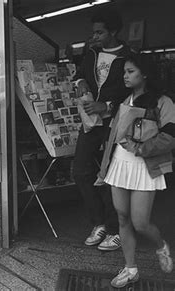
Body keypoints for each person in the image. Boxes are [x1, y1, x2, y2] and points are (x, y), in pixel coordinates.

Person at [96, 55, 175, 288]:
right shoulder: (123, 99)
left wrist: (140, 147)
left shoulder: (163, 102)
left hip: (146, 166)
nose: (125, 76)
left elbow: (170, 137)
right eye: (124, 72)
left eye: (130, 71)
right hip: (119, 164)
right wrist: (104, 168)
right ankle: (131, 269)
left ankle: (161, 245)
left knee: (140, 222)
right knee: (122, 217)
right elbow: (112, 136)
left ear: (145, 74)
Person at [72, 8, 133, 251]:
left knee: (113, 176)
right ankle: (99, 223)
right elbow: (79, 74)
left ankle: (117, 229)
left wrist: (106, 105)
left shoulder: (129, 57)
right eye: (93, 32)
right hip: (90, 123)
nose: (94, 37)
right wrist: (80, 82)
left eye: (99, 32)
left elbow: (135, 92)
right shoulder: (92, 53)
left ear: (114, 31)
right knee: (80, 171)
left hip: (115, 123)